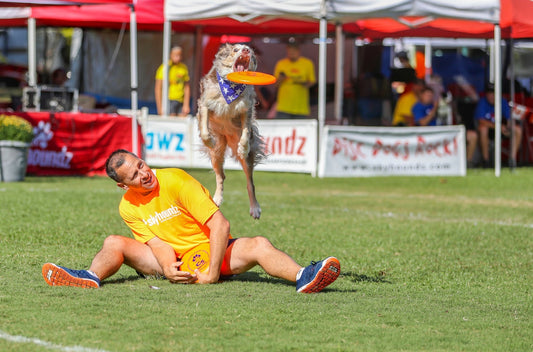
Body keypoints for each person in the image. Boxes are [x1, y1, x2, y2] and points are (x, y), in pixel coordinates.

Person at [42, 150, 341, 293]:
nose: (143, 174)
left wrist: (212, 272)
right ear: (123, 186)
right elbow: (156, 242)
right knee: (113, 243)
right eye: (134, 175)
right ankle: (90, 276)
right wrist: (169, 267)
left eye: (141, 165)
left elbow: (220, 226)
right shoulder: (127, 206)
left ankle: (304, 276)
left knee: (259, 244)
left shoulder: (175, 180)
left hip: (211, 251)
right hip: (175, 259)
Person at [475, 84, 522, 168]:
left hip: (501, 129)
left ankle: (512, 160)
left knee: (517, 129)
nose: (491, 96)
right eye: (489, 94)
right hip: (489, 131)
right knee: (483, 129)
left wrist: (508, 127)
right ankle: (486, 161)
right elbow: (481, 121)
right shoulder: (482, 102)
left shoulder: (502, 101)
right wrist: (498, 126)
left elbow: (509, 118)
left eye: (493, 93)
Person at [273, 42, 316, 119]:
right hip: (283, 107)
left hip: (301, 107)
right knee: (282, 129)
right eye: (289, 52)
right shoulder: (281, 63)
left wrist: (302, 82)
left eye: (293, 51)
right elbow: (275, 85)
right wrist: (281, 79)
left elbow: (312, 81)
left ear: (298, 51)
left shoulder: (307, 63)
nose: (291, 54)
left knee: (300, 130)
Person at [154, 46, 191, 117]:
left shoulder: (183, 68)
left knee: (182, 121)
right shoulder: (164, 67)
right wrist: (159, 107)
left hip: (180, 100)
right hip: (169, 100)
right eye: (176, 55)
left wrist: (186, 104)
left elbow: (187, 87)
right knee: (171, 122)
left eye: (180, 55)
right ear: (170, 55)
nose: (178, 57)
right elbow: (158, 88)